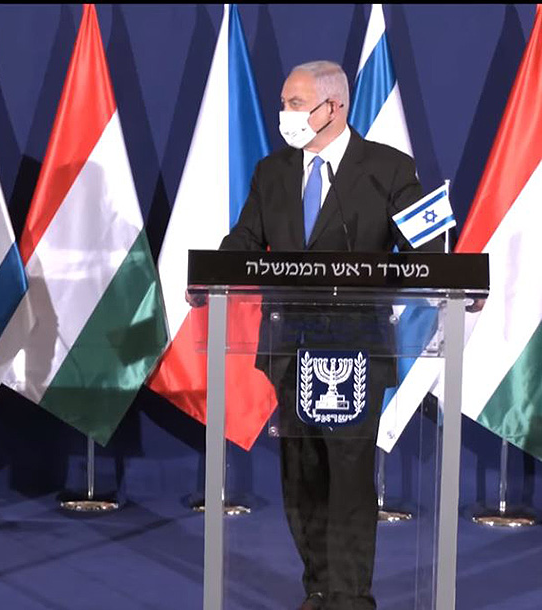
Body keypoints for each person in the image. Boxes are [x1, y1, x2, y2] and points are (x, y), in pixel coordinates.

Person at [190, 60, 442, 610]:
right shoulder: (272, 171)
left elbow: (431, 255)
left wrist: (453, 279)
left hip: (355, 349)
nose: (286, 115)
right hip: (289, 347)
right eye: (284, 103)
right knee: (301, 477)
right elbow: (245, 241)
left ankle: (351, 598)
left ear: (336, 107)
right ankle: (319, 587)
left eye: (297, 104)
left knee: (349, 480)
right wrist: (208, 278)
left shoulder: (389, 169)